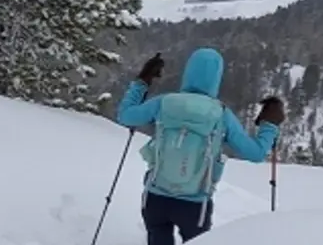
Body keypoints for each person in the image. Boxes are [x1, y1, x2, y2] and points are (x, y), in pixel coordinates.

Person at [114, 48, 284, 245]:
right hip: (194, 204)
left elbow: (126, 116)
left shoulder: (164, 103)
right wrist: (269, 125)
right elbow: (255, 153)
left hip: (155, 196)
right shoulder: (221, 114)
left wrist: (142, 82)